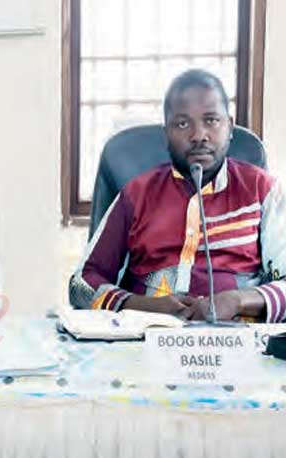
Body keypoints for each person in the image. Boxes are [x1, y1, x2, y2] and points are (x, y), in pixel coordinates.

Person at [69, 69, 286, 322]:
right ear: (167, 134)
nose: (198, 136)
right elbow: (81, 284)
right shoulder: (136, 194)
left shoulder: (262, 189)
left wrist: (238, 300)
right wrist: (140, 305)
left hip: (237, 345)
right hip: (143, 346)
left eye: (212, 120)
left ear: (230, 126)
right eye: (183, 124)